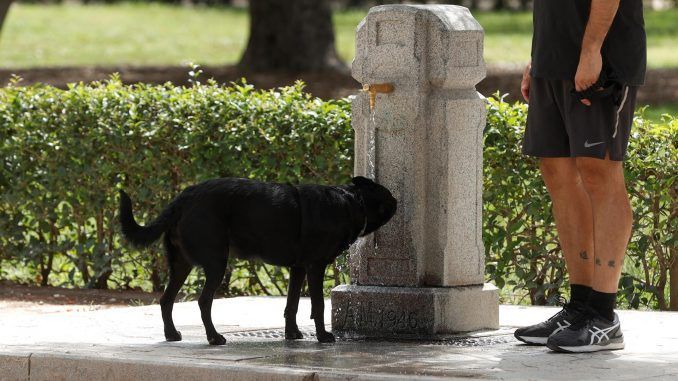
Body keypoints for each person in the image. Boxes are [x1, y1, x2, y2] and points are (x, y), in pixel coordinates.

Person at [513, 0, 646, 353]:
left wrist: (590, 50)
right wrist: (537, 58)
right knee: (556, 171)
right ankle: (580, 307)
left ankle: (603, 316)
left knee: (598, 172)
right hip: (553, 58)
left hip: (602, 58)